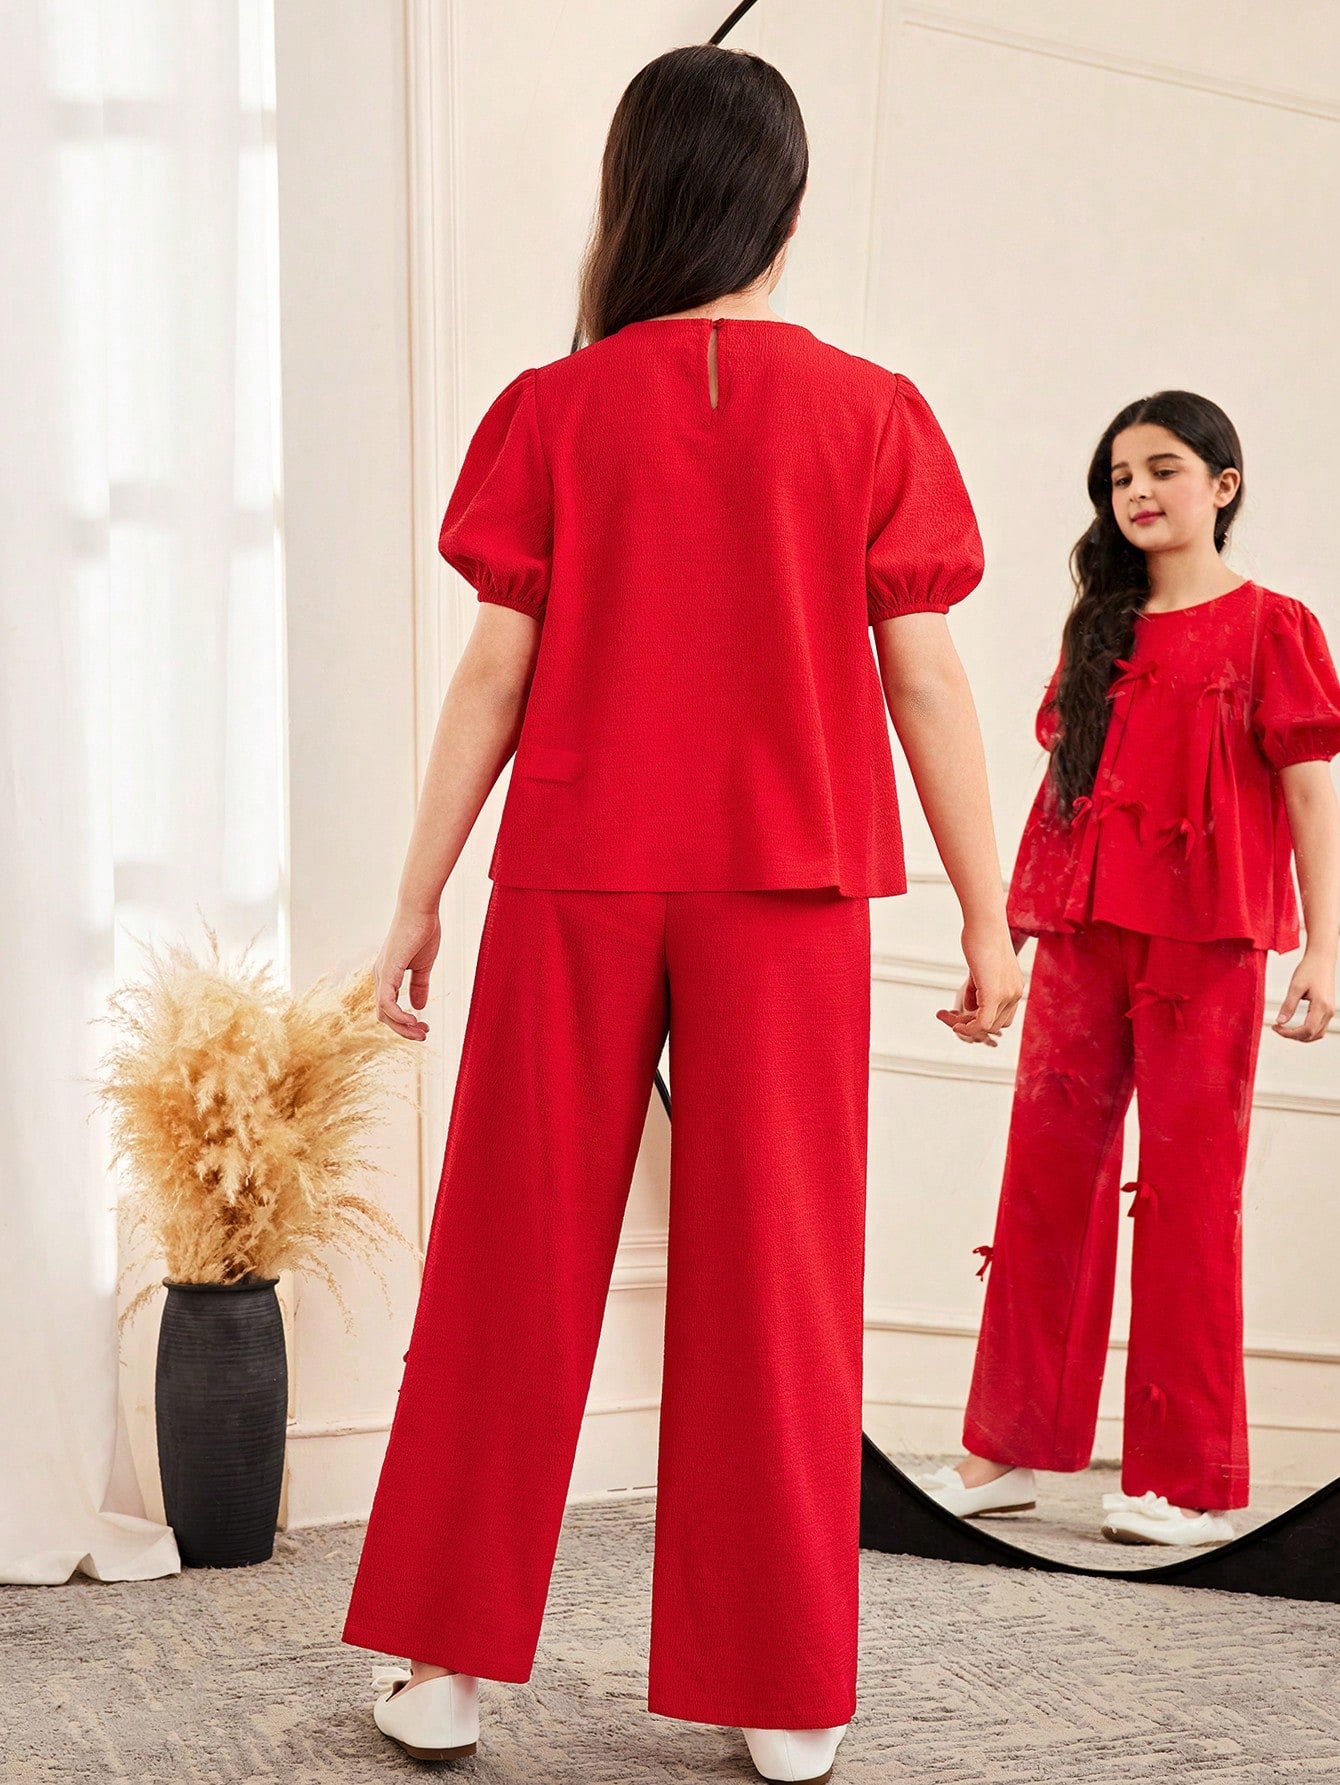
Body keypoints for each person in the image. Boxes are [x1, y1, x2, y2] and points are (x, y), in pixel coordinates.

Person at [340, 43, 1022, 1782]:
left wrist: (416, 898)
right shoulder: (874, 414)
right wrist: (988, 914)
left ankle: (444, 1670)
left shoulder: (553, 410)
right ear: (785, 203)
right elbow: (927, 681)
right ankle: (784, 1693)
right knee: (780, 1272)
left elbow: (494, 676)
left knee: (510, 1259)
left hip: (577, 870)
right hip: (788, 887)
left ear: (634, 196)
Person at [920, 390, 1340, 1550]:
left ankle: (1185, 1479)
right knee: (1040, 1184)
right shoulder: (1096, 628)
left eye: (1161, 469)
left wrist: (1325, 945)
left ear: (1222, 484)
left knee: (1189, 1199)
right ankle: (1002, 1450)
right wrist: (1001, 943)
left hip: (1205, 941)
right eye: (1117, 478)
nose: (1137, 492)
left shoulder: (1272, 626)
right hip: (1080, 933)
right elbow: (1061, 798)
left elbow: (1310, 792)